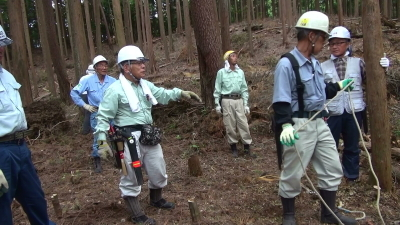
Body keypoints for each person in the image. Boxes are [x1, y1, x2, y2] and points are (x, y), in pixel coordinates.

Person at [95, 45, 201, 224]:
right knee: (130, 175)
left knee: (158, 169)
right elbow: (103, 116)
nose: (144, 66)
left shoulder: (145, 85)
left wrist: (180, 93)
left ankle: (156, 199)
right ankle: (137, 214)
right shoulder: (114, 90)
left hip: (148, 134)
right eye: (139, 63)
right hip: (124, 139)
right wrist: (101, 140)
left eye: (144, 62)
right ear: (126, 67)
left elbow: (161, 94)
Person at [272, 12, 357, 225]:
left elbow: (319, 93)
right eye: (323, 39)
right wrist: (285, 126)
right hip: (299, 124)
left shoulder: (315, 64)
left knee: (331, 166)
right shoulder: (287, 64)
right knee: (293, 171)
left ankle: (328, 214)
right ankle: (289, 215)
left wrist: (338, 86)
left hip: (320, 122)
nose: (325, 45)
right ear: (312, 36)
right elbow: (281, 100)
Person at [0, 25, 56, 225]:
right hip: (1, 152)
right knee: (1, 207)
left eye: (2, 45)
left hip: (20, 147)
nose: (0, 50)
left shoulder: (6, 76)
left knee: (35, 199)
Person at [321, 26, 390, 182]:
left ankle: (351, 176)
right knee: (329, 145)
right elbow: (319, 91)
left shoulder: (359, 63)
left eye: (339, 43)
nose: (335, 46)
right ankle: (331, 176)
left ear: (348, 44)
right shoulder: (322, 66)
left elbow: (372, 81)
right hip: (332, 112)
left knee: (352, 145)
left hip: (354, 110)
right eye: (332, 43)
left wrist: (382, 69)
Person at [70, 56, 116, 173]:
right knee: (98, 137)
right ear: (95, 68)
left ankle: (118, 158)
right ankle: (97, 159)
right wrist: (85, 105)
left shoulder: (113, 81)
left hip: (111, 112)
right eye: (101, 65)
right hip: (97, 113)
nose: (104, 68)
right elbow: (74, 93)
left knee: (115, 135)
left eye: (105, 65)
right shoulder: (88, 80)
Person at [213, 50, 254, 158]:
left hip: (239, 100)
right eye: (233, 56)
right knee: (230, 125)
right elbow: (217, 89)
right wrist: (217, 104)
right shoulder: (221, 73)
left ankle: (247, 148)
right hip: (227, 101)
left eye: (236, 56)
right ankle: (234, 148)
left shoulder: (240, 72)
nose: (235, 58)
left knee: (243, 124)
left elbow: (244, 89)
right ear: (227, 59)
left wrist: (246, 104)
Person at [81, 64, 95, 135]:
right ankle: (87, 130)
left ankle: (87, 129)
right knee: (90, 112)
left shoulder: (83, 78)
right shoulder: (93, 78)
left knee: (88, 112)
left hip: (83, 95)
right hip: (89, 95)